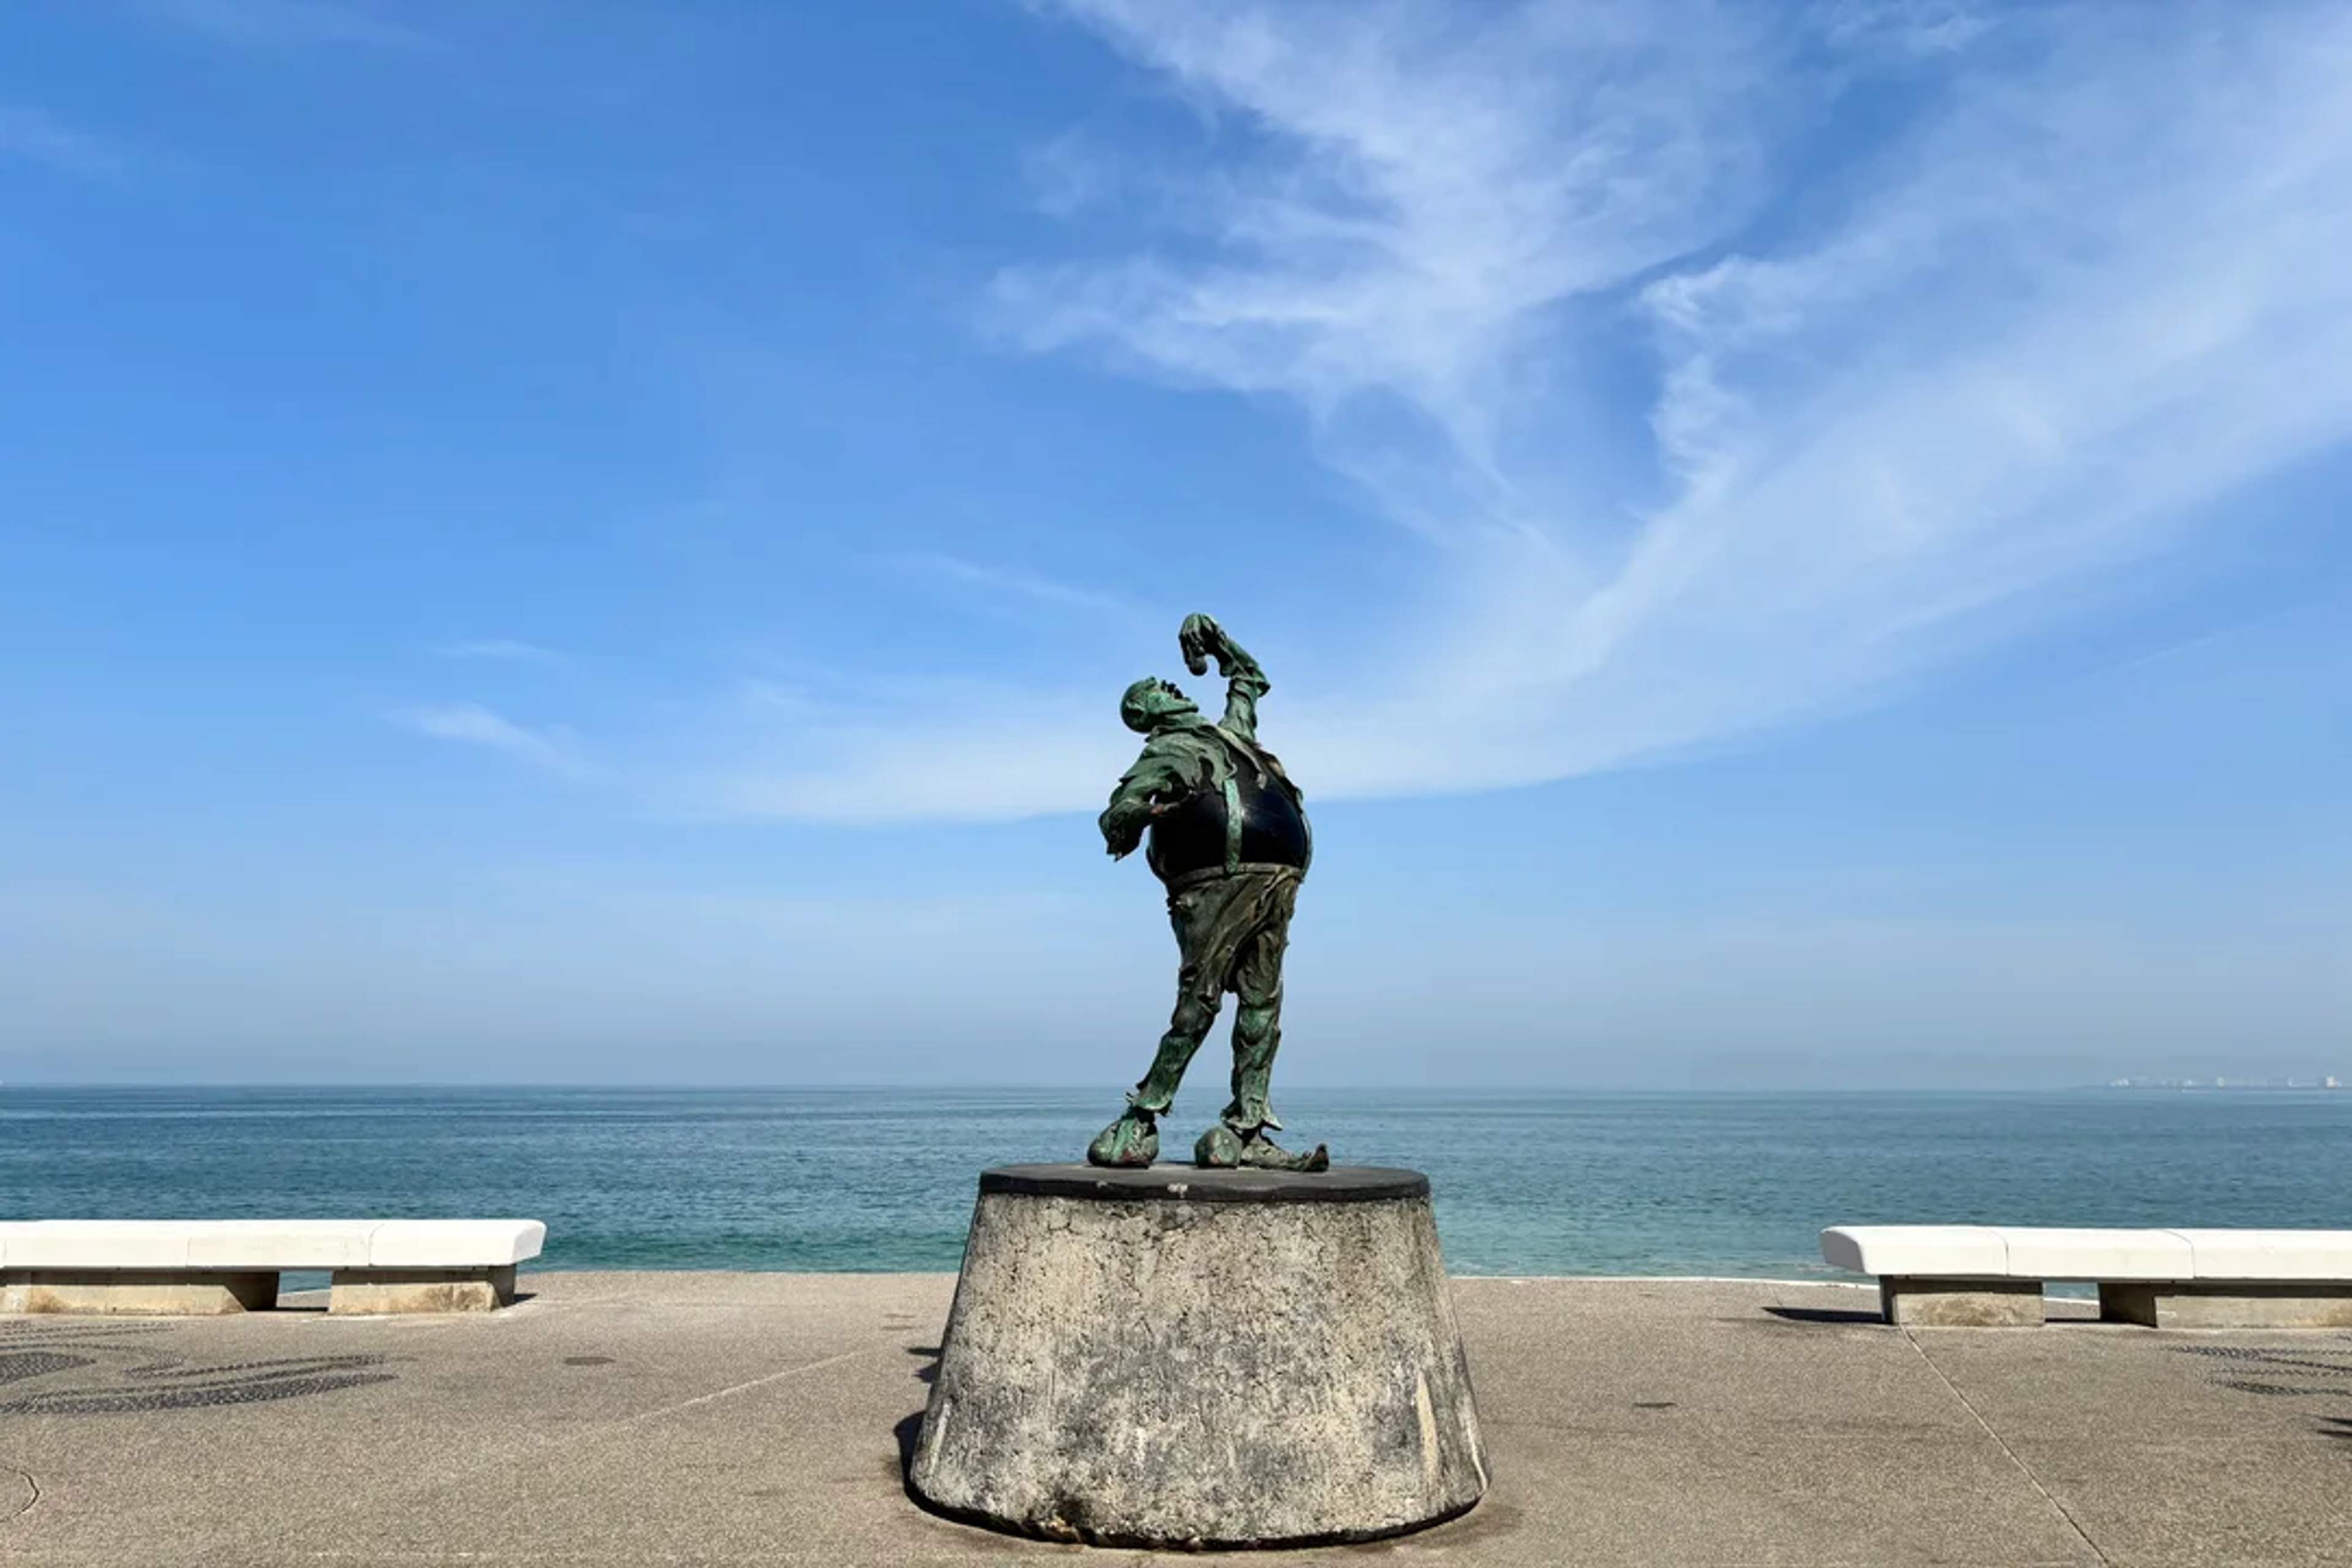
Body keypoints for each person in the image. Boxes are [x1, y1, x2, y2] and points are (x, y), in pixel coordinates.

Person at [1087, 614, 1328, 1171]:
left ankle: (1246, 1126)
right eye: (1154, 689)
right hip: (1215, 885)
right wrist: (1152, 811)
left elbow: (1248, 676)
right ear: (1142, 714)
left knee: (1263, 1004)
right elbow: (1115, 817)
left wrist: (1215, 642)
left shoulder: (1230, 738)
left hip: (1276, 880)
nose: (1168, 686)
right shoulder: (1166, 750)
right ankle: (1142, 1116)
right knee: (1199, 1001)